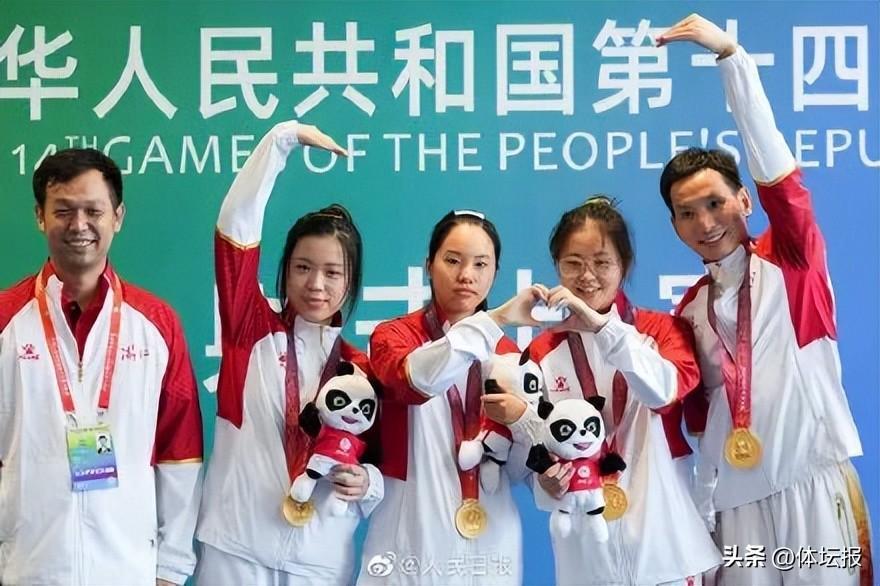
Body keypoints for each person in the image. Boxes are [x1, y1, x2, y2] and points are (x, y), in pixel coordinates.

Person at [656, 14, 872, 586]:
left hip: (810, 483)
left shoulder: (792, 260)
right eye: (687, 213)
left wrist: (732, 59)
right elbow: (695, 421)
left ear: (745, 201)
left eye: (715, 203)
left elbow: (781, 175)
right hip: (736, 505)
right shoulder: (690, 312)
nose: (705, 222)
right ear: (674, 226)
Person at [0, 149, 204, 586]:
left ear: (118, 217)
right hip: (28, 569)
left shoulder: (157, 323)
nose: (79, 225)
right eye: (63, 211)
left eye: (93, 211)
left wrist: (171, 566)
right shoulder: (5, 320)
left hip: (127, 569)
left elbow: (179, 450)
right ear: (39, 217)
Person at [194, 120, 383, 585]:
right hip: (235, 550)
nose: (316, 284)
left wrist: (368, 484)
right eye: (303, 267)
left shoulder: (363, 370)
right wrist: (281, 141)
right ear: (285, 270)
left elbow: (384, 461)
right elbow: (234, 229)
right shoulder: (249, 329)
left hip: (320, 561)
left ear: (350, 281)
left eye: (332, 272)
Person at [525, 197, 720, 585]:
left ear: (624, 265)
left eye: (602, 263)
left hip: (665, 550)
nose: (587, 276)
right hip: (587, 557)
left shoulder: (663, 331)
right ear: (556, 266)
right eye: (573, 263)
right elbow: (534, 447)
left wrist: (601, 326)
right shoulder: (540, 352)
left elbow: (664, 392)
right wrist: (545, 482)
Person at [357, 209, 546, 585]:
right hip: (410, 540)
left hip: (491, 544)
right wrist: (494, 320)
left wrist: (523, 422)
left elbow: (519, 470)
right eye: (453, 260)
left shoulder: (510, 357)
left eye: (481, 264)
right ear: (429, 265)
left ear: (495, 272)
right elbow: (413, 383)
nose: (466, 275)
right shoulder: (393, 337)